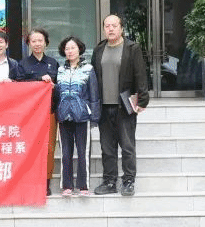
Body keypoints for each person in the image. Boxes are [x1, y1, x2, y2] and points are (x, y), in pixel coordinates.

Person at [91, 14, 150, 197]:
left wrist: (142, 100)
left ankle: (128, 181)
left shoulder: (132, 48)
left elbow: (140, 75)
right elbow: (94, 77)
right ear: (103, 29)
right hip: (104, 106)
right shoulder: (99, 49)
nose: (110, 29)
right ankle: (109, 181)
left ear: (121, 28)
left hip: (125, 104)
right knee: (107, 148)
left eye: (114, 25)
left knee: (127, 146)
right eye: (107, 26)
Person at [54, 35, 100, 197]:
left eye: (73, 48)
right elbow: (57, 93)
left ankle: (83, 186)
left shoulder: (88, 69)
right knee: (65, 152)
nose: (70, 51)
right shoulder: (60, 70)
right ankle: (67, 185)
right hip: (64, 115)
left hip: (82, 115)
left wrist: (94, 116)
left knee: (83, 151)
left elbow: (94, 94)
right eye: (67, 48)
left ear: (79, 49)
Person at [19, 28, 60, 196]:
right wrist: (38, 80)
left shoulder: (53, 63)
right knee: (30, 147)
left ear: (46, 43)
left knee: (49, 148)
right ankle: (30, 180)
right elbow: (19, 86)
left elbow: (59, 85)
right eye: (33, 41)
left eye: (40, 40)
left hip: (50, 111)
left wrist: (53, 87)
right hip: (30, 114)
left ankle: (46, 182)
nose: (37, 44)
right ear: (29, 44)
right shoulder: (23, 64)